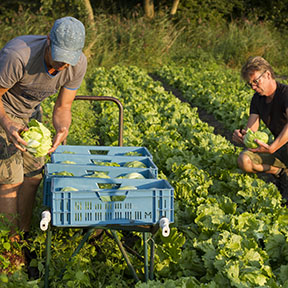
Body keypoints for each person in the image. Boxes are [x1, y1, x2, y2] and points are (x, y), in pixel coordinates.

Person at [0, 16, 87, 235]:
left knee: (33, 178)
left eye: (69, 60)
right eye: (59, 58)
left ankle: (23, 233)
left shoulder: (76, 66)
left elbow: (63, 107)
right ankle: (10, 247)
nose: (63, 65)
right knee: (11, 182)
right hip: (4, 113)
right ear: (48, 40)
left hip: (31, 116)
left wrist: (62, 129)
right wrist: (8, 125)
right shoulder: (18, 55)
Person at [232, 56, 288, 200]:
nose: (253, 87)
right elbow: (252, 129)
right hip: (281, 150)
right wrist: (243, 136)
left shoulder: (285, 94)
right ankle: (281, 173)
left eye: (256, 82)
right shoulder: (257, 99)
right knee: (244, 160)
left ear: (268, 74)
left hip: (277, 147)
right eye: (250, 84)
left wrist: (272, 147)